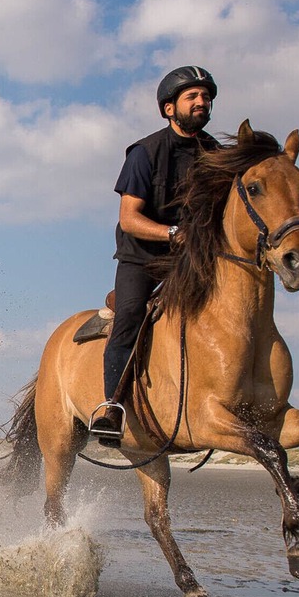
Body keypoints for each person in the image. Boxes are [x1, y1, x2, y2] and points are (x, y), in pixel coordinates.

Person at [90, 66, 221, 446]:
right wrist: (172, 233)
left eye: (206, 96)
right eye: (192, 96)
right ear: (169, 108)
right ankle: (111, 405)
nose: (201, 101)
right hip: (143, 258)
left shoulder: (215, 155)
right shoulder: (144, 153)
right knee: (131, 312)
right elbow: (129, 219)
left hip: (192, 260)